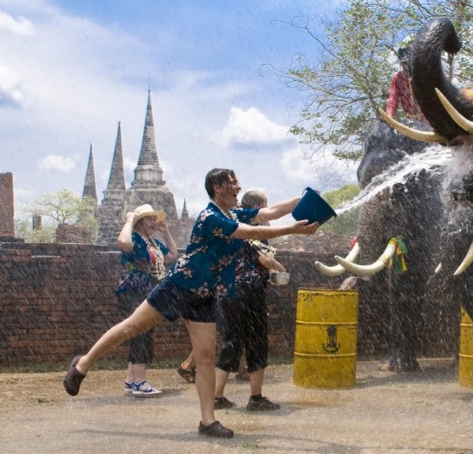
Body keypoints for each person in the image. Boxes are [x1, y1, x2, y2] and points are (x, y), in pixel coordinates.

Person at [63, 169, 319, 439]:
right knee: (132, 327)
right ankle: (82, 365)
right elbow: (247, 232)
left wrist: (303, 199)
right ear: (217, 188)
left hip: (205, 294)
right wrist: (294, 229)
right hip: (180, 286)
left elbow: (268, 213)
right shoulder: (211, 216)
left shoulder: (231, 213)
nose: (238, 187)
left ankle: (208, 421)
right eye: (233, 184)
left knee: (206, 356)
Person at [213, 190, 285, 412]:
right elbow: (263, 259)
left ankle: (216, 396)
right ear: (260, 207)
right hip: (249, 290)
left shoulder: (229, 222)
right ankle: (255, 398)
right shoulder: (255, 226)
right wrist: (280, 269)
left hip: (228, 290)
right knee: (256, 341)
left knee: (231, 341)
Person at [116, 204, 177, 396]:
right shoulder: (133, 237)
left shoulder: (152, 242)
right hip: (135, 289)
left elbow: (172, 256)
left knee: (141, 332)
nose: (154, 223)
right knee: (141, 332)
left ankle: (131, 380)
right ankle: (140, 381)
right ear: (140, 221)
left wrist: (166, 232)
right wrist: (129, 220)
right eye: (149, 219)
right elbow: (123, 242)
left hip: (150, 289)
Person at [386, 47, 424, 121]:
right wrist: (390, 117)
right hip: (410, 121)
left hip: (428, 119)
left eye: (408, 62)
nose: (406, 65)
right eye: (403, 63)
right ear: (401, 64)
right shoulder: (398, 78)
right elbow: (393, 100)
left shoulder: (423, 74)